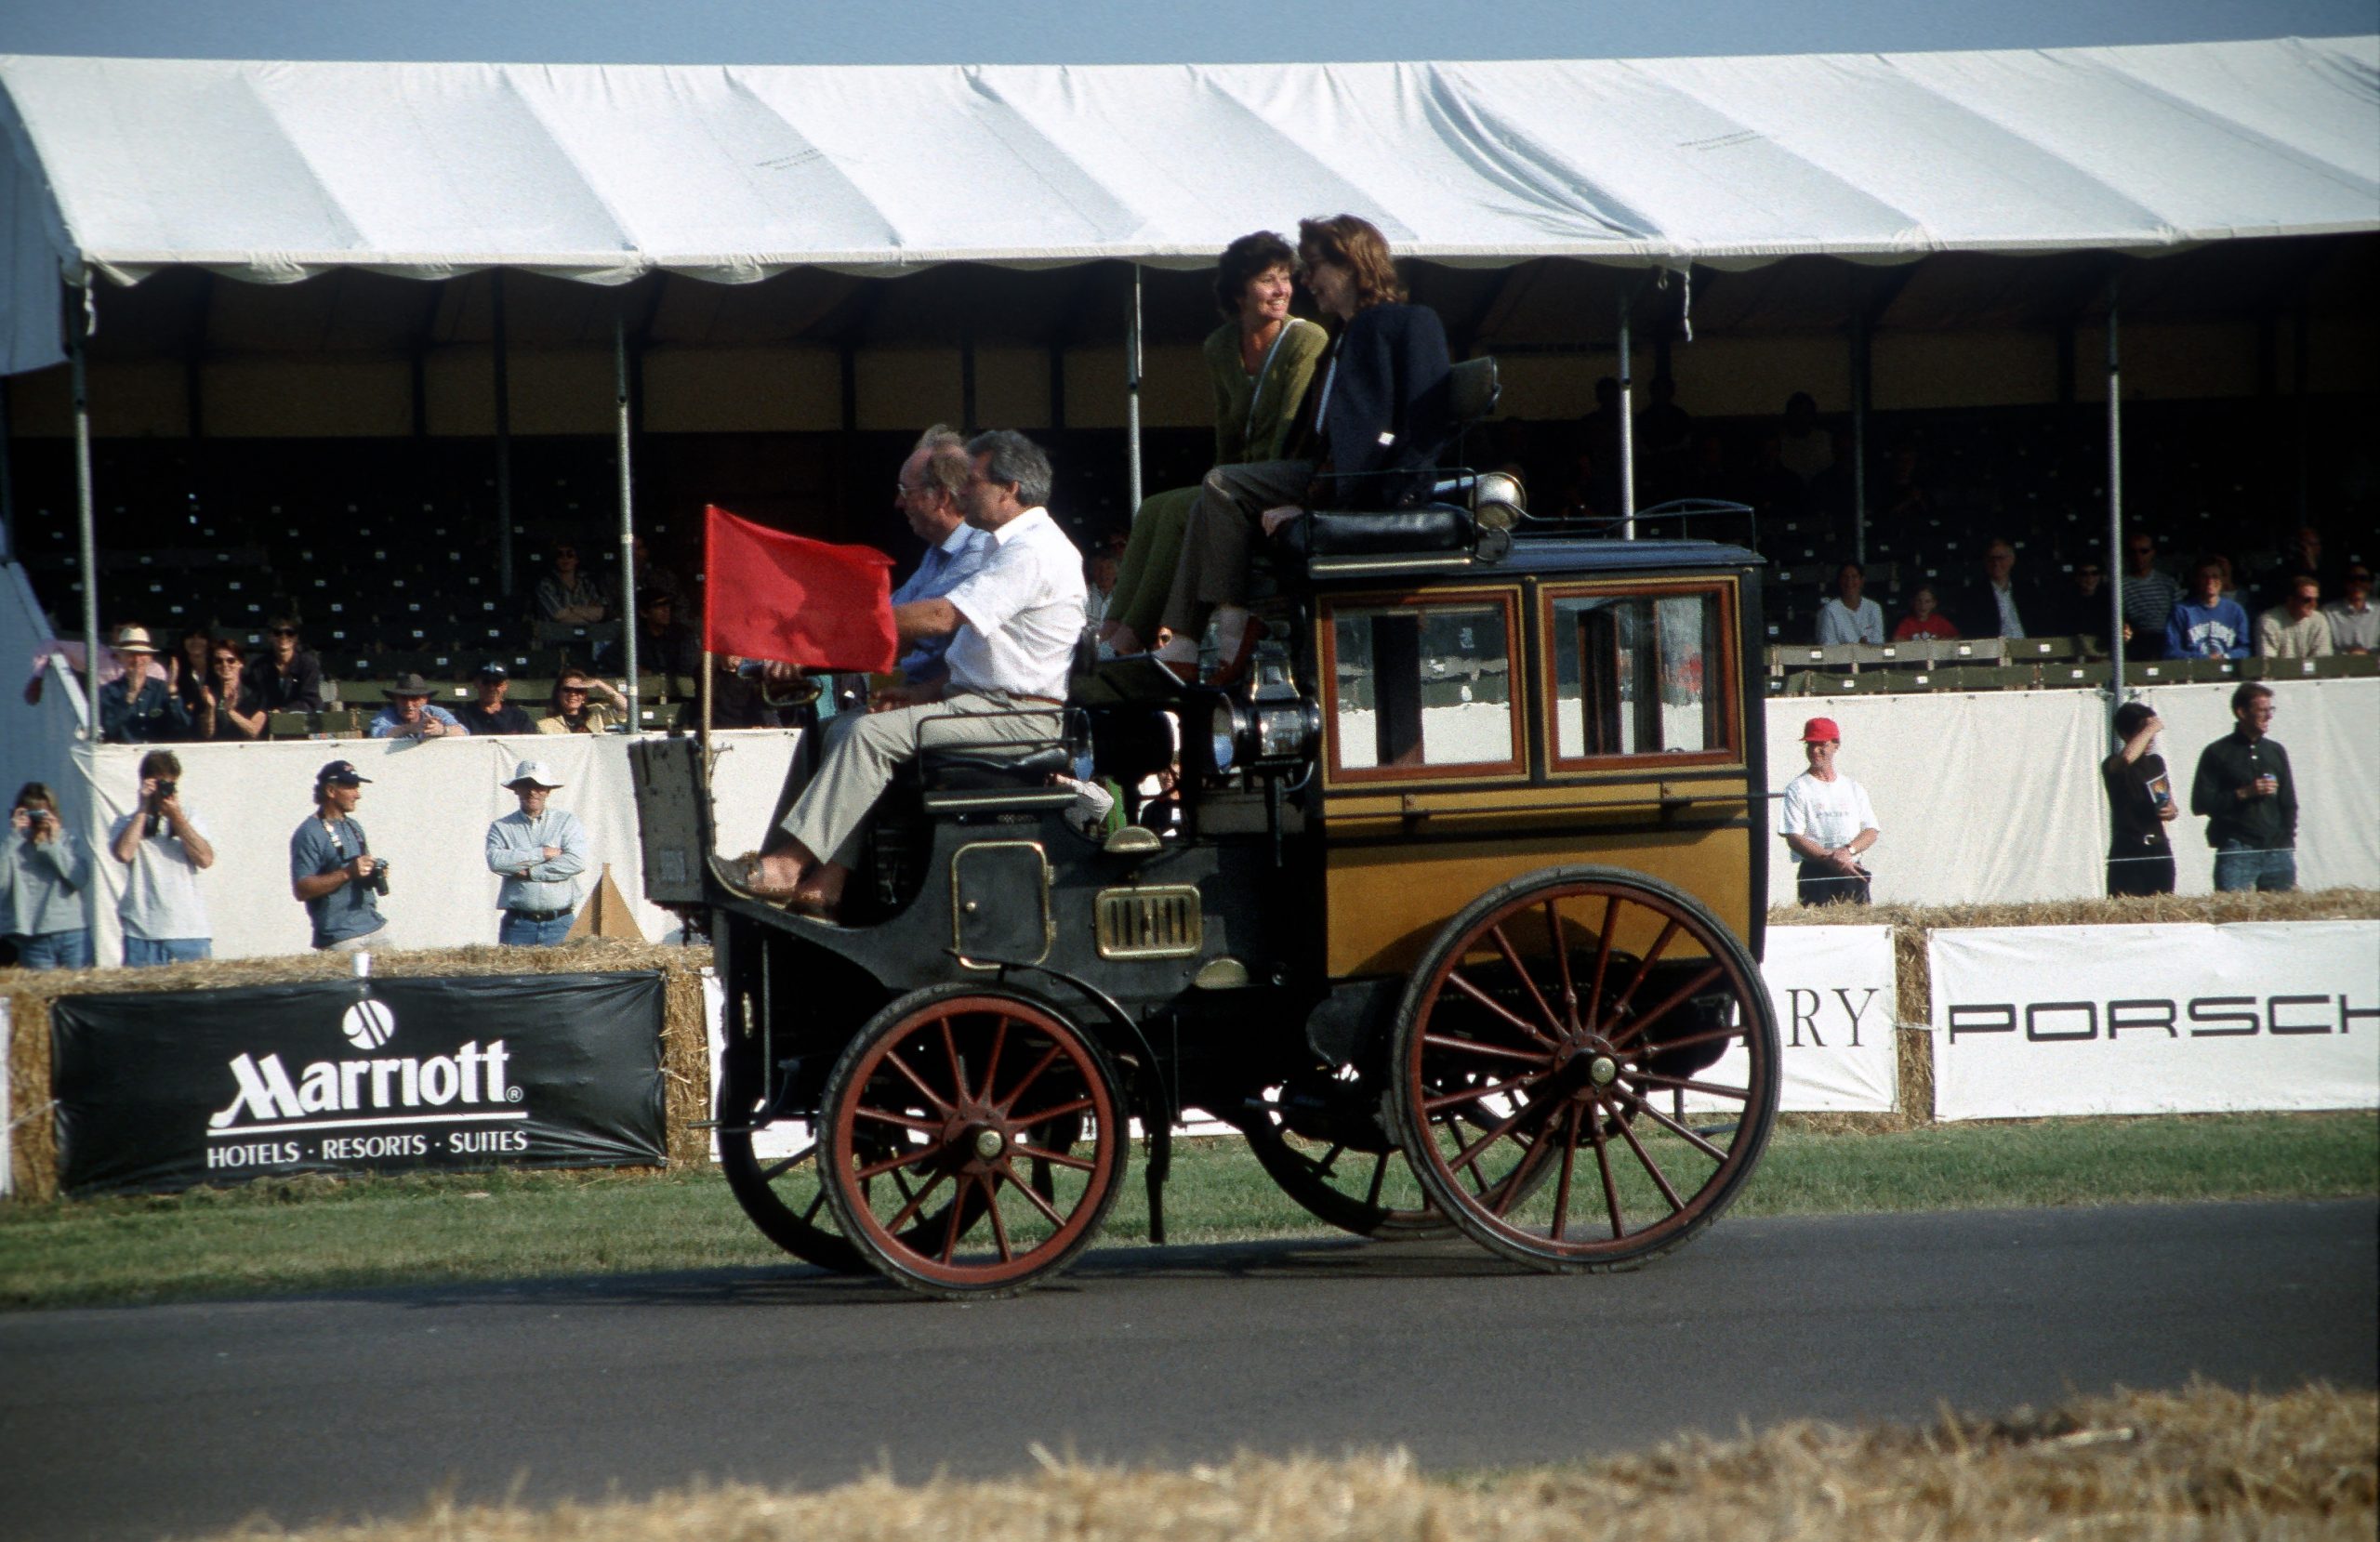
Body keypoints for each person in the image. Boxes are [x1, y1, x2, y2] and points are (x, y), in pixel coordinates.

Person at [739, 429, 1084, 920]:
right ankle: (828, 883)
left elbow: (944, 619)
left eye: (974, 482)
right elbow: (983, 656)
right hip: (982, 703)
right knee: (841, 727)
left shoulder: (1034, 550)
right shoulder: (1001, 546)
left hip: (1021, 717)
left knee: (867, 734)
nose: (961, 492)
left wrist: (837, 629)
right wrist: (922, 692)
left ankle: (787, 867)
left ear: (1010, 489)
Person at [1155, 215, 1451, 684]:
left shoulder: (1409, 322)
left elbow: (1426, 426)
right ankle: (1185, 642)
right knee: (1204, 503)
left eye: (1312, 267)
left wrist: (1323, 503)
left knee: (1222, 483)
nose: (1304, 281)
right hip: (1322, 475)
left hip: (1361, 489)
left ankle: (1230, 631)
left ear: (1352, 264)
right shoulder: (1341, 337)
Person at [1098, 231, 1329, 659]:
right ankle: (1108, 634)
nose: (1281, 290)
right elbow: (1226, 431)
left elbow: (1290, 429)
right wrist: (1216, 490)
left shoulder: (1305, 338)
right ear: (1238, 291)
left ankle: (1133, 640)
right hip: (1232, 482)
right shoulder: (1220, 346)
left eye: (1285, 278)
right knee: (1153, 508)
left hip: (1275, 482)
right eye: (1267, 280)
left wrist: (1234, 493)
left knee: (1178, 515)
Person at [881, 426, 994, 684]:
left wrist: (820, 641)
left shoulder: (981, 550)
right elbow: (893, 612)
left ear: (942, 496)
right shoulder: (938, 552)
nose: (899, 502)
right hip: (923, 695)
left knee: (850, 727)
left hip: (951, 703)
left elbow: (924, 620)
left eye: (906, 491)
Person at [108, 749, 214, 966]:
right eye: (159, 785)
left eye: (170, 785)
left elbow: (205, 859)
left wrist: (176, 817)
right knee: (141, 998)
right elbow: (123, 853)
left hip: (188, 931)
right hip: (142, 932)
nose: (164, 791)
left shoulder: (189, 816)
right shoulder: (126, 822)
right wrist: (143, 809)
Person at [2189, 682, 2297, 893]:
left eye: (2270, 710)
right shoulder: (2217, 752)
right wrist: (2244, 793)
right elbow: (2200, 803)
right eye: (2262, 711)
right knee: (2234, 915)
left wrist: (2287, 839)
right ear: (2242, 712)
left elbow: (2288, 801)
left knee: (2281, 918)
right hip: (2237, 848)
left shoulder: (2275, 751)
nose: (2269, 716)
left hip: (2277, 849)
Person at [484, 759, 592, 946]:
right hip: (518, 924)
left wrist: (530, 872)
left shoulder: (566, 821)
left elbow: (576, 861)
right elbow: (496, 861)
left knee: (563, 976)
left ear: (548, 791)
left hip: (561, 923)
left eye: (539, 786)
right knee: (515, 975)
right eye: (526, 785)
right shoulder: (501, 827)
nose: (532, 791)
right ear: (516, 789)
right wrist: (542, 854)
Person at [1777, 716, 1878, 906]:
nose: (1815, 750)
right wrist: (1830, 858)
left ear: (1836, 745)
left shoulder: (1853, 787)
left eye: (1821, 744)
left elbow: (1871, 831)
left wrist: (1848, 851)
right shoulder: (1798, 788)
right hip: (1816, 873)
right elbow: (1794, 837)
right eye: (1810, 745)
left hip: (1852, 869)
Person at [290, 759, 388, 952]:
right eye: (351, 788)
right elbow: (301, 889)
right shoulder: (309, 832)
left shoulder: (354, 826)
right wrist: (347, 873)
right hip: (341, 937)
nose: (358, 795)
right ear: (331, 791)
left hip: (375, 926)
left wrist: (375, 873)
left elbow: (360, 871)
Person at [2, 782, 93, 969]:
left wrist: (53, 844)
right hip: (34, 936)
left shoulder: (68, 840)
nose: (37, 820)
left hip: (72, 932)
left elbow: (79, 879)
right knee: (43, 997)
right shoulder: (13, 846)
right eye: (32, 814)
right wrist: (14, 836)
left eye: (42, 814)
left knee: (79, 995)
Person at [2100, 701, 2178, 897]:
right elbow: (2126, 758)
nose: (2150, 737)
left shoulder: (2155, 762)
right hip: (2129, 847)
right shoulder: (2112, 764)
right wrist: (2150, 727)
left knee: (2163, 904)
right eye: (2142, 731)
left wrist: (2171, 810)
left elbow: (2165, 797)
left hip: (2158, 845)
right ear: (2126, 734)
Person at [97, 625, 180, 744]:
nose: (137, 659)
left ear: (150, 657)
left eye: (142, 654)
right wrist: (130, 695)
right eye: (131, 654)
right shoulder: (107, 692)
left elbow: (183, 725)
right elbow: (108, 729)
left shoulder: (162, 689)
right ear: (120, 657)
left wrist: (172, 691)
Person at [1953, 538, 2045, 640]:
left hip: (2028, 646)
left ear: (2012, 560)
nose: (1996, 563)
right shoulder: (1973, 594)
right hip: (1994, 649)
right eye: (1991, 559)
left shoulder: (2028, 591)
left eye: (2001, 558)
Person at [2165, 557, 2253, 661]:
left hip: (2227, 672)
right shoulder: (2182, 611)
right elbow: (2171, 652)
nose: (2209, 581)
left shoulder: (2236, 611)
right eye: (2204, 577)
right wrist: (2206, 659)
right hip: (2192, 672)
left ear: (2223, 579)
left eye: (2215, 576)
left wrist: (2225, 657)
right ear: (2197, 580)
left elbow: (2244, 649)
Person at [241, 616, 324, 714]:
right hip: (269, 718)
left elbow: (310, 700)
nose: (283, 636)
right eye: (277, 632)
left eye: (289, 633)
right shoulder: (259, 666)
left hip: (302, 718)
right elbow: (256, 696)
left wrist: (284, 711)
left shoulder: (308, 664)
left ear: (296, 637)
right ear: (270, 636)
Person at [2119, 531, 2183, 647]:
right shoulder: (2120, 586)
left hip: (2168, 639)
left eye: (2144, 551)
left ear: (2152, 553)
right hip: (2137, 641)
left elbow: (2180, 615)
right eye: (2133, 552)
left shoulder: (2168, 583)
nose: (2138, 556)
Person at [195, 638, 267, 740]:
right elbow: (207, 734)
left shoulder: (256, 696)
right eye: (218, 661)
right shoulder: (207, 695)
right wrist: (210, 708)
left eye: (231, 660)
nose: (225, 665)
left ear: (241, 663)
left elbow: (253, 731)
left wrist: (230, 711)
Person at [2255, 575, 2334, 659]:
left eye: (2316, 600)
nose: (2313, 604)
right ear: (2291, 600)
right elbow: (2268, 661)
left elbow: (2322, 659)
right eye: (2307, 600)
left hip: (2312, 671)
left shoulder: (2319, 621)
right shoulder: (2269, 622)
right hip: (2280, 671)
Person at [368, 672, 464, 739]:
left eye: (414, 699)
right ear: (395, 699)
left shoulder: (435, 712)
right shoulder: (386, 714)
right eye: (403, 698)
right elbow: (376, 734)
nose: (409, 705)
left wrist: (442, 730)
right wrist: (412, 728)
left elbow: (463, 733)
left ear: (425, 700)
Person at [455, 661, 537, 735]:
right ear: (476, 683)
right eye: (486, 682)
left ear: (505, 685)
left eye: (497, 682)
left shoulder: (519, 718)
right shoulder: (462, 717)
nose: (491, 688)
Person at [535, 542, 607, 624]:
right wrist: (586, 615)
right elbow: (558, 615)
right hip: (556, 634)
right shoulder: (546, 585)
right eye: (560, 555)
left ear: (577, 559)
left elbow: (599, 613)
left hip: (589, 634)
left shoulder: (586, 584)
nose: (565, 558)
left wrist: (572, 609)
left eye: (570, 555)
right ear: (555, 560)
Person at [537, 668, 628, 734]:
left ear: (584, 696)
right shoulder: (545, 725)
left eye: (579, 690)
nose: (573, 694)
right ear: (558, 693)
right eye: (567, 689)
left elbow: (625, 707)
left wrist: (600, 684)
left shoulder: (597, 712)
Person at [1813, 561, 1883, 645]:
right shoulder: (1830, 610)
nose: (1849, 582)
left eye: (1854, 577)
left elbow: (1878, 642)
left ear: (1862, 580)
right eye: (1845, 577)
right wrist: (1857, 647)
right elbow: (1828, 646)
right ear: (1840, 581)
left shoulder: (1874, 608)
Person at [2324, 563, 2375, 654]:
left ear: (2370, 584)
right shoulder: (2329, 612)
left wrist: (2368, 653)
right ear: (2345, 583)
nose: (2357, 583)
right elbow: (2323, 649)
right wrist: (2346, 654)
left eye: (2363, 579)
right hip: (2340, 665)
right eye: (2352, 579)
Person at [2055, 560, 2110, 644]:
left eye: (2095, 573)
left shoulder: (2110, 598)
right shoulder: (2067, 602)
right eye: (2084, 574)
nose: (2090, 578)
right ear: (2077, 578)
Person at [1891, 585, 1959, 641]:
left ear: (1934, 604)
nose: (1923, 606)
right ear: (1913, 602)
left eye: (1927, 602)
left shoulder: (1940, 621)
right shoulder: (1907, 623)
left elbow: (1956, 637)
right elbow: (1896, 639)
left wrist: (1944, 642)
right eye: (1919, 601)